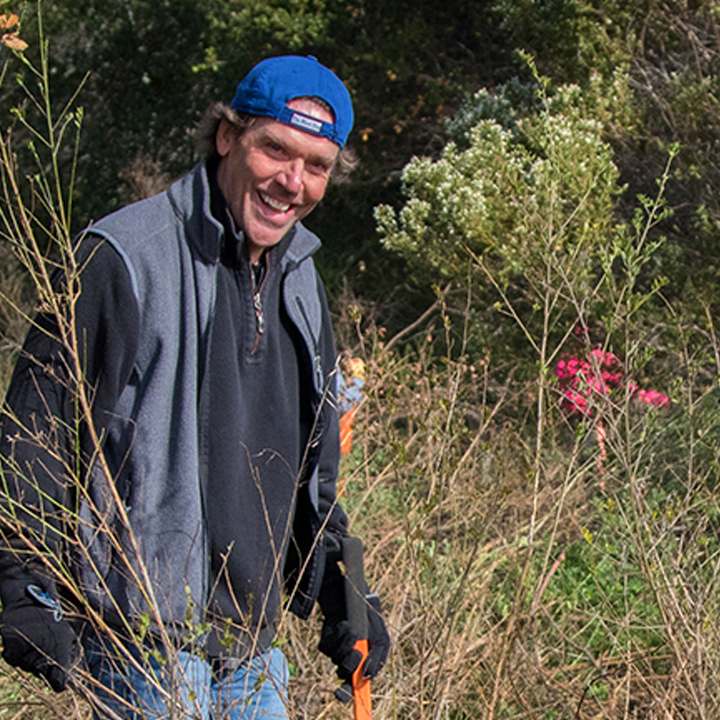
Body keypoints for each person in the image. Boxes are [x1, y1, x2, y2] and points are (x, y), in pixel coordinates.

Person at [0, 55, 389, 719]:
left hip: (253, 652)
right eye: (276, 150)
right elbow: (34, 434)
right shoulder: (121, 256)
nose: (292, 182)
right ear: (228, 137)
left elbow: (312, 478)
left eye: (316, 165)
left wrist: (345, 594)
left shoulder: (301, 282)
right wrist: (18, 586)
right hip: (144, 647)